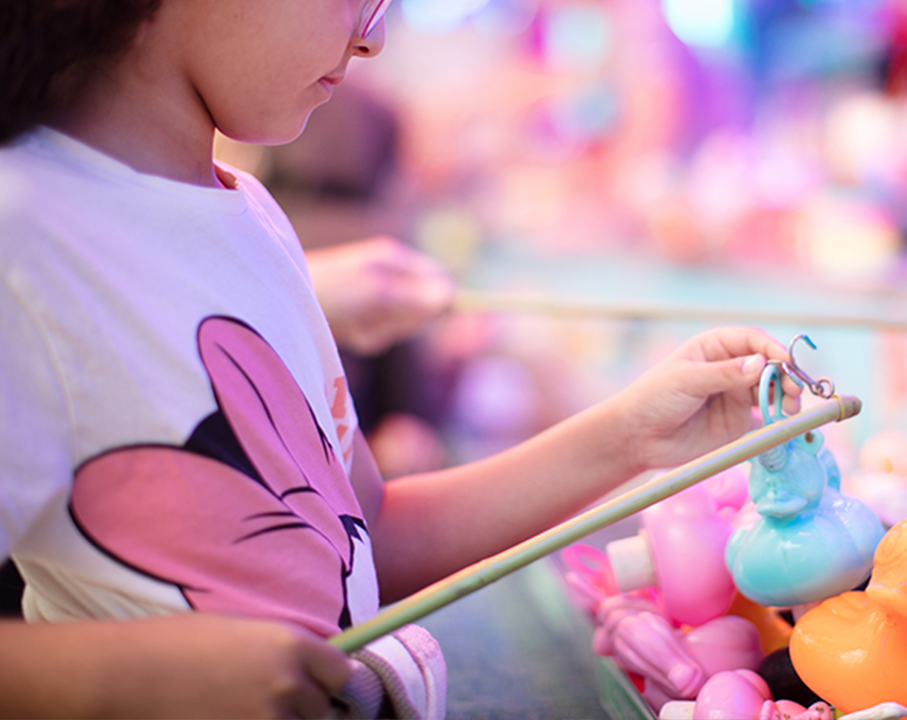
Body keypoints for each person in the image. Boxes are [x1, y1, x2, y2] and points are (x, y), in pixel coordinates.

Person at [0, 1, 801, 718]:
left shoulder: (249, 215)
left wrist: (637, 436)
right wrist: (125, 678)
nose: (373, 34)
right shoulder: (25, 236)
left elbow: (362, 535)